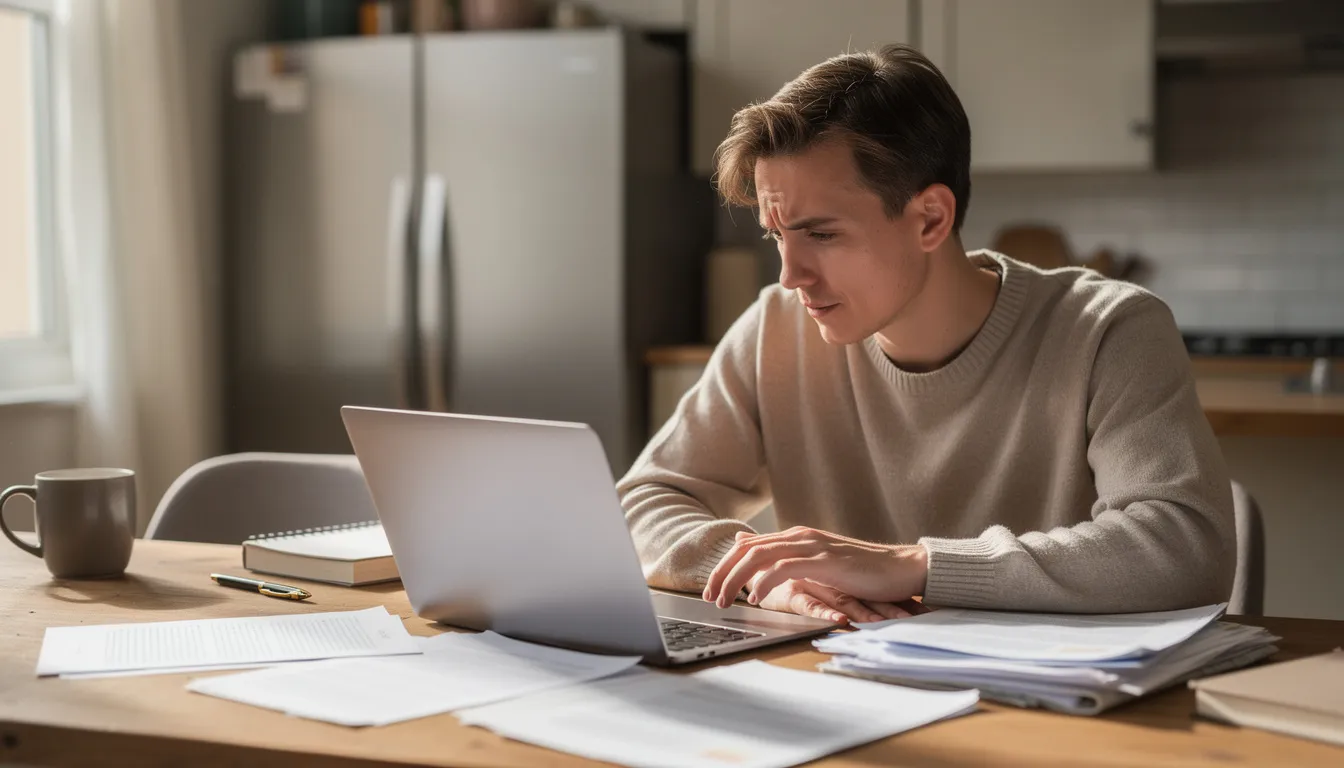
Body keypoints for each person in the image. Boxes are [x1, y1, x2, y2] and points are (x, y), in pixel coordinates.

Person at [617, 44, 1235, 625]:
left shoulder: (1109, 330)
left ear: (931, 218)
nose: (790, 276)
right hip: (847, 685)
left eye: (822, 235)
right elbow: (640, 503)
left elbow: (1187, 545)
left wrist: (916, 566)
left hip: (1055, 706)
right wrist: (763, 572)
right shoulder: (775, 331)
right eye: (777, 236)